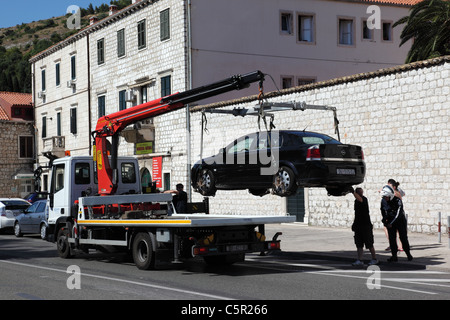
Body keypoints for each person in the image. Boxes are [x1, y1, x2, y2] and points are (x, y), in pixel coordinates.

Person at [380, 185, 413, 262]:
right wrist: (385, 221)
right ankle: (394, 256)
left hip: (399, 220)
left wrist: (391, 222)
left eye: (386, 197)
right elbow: (383, 211)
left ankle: (408, 253)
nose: (385, 198)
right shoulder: (383, 201)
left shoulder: (398, 201)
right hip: (390, 221)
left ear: (390, 196)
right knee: (392, 239)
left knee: (403, 237)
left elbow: (398, 214)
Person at [350, 187, 378, 266]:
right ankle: (360, 259)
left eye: (361, 192)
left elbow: (360, 199)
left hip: (366, 226)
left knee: (369, 243)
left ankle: (374, 258)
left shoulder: (364, 199)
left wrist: (352, 192)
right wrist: (354, 224)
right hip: (358, 226)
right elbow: (357, 214)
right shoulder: (356, 201)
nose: (361, 194)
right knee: (359, 244)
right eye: (359, 192)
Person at [383, 179, 405, 251]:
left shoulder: (395, 193)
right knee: (390, 229)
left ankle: (399, 246)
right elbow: (403, 194)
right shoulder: (397, 191)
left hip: (396, 213)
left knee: (397, 229)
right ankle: (395, 245)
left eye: (389, 185)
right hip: (394, 213)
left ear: (393, 186)